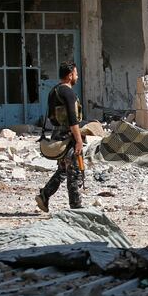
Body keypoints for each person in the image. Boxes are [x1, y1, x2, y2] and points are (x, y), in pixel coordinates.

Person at [36, 61, 84, 211]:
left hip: (57, 134)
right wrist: (78, 141)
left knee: (63, 169)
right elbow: (72, 119)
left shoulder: (54, 91)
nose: (77, 76)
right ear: (70, 75)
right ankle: (76, 208)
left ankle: (44, 195)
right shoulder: (67, 92)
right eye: (75, 73)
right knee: (74, 171)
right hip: (68, 136)